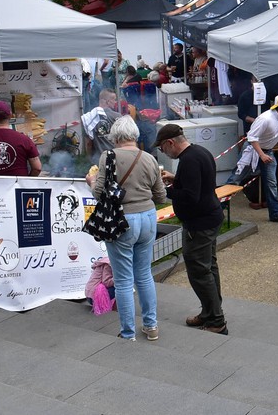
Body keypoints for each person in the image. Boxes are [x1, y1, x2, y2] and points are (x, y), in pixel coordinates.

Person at [86, 116, 165, 341]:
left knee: (122, 280)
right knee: (144, 275)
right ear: (134, 135)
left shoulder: (108, 156)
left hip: (121, 220)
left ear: (115, 137)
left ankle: (128, 332)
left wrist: (90, 181)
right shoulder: (149, 158)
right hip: (148, 218)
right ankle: (151, 326)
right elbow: (160, 196)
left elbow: (99, 193)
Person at [157, 123, 228, 334]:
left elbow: (190, 196)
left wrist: (164, 190)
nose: (163, 152)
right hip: (211, 217)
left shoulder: (188, 160)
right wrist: (175, 179)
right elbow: (199, 183)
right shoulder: (200, 152)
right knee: (209, 267)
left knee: (199, 271)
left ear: (170, 143)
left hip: (199, 223)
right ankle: (210, 312)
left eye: (162, 148)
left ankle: (216, 320)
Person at [228, 94, 278, 223]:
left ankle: (275, 214)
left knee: (272, 183)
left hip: (268, 151)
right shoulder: (265, 119)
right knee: (235, 179)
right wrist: (262, 155)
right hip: (252, 150)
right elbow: (251, 137)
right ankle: (217, 209)